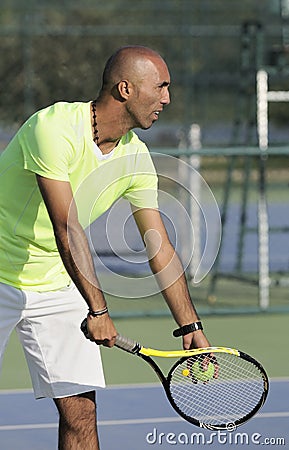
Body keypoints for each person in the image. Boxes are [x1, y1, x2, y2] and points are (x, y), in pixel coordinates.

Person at [0, 46, 210, 449]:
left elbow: (159, 246)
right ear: (126, 88)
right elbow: (67, 225)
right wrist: (98, 310)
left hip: (55, 284)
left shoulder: (135, 156)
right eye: (161, 86)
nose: (167, 98)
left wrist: (191, 327)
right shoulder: (54, 127)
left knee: (81, 413)